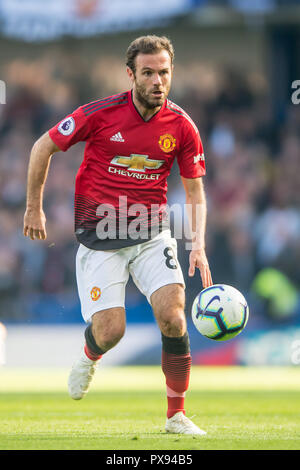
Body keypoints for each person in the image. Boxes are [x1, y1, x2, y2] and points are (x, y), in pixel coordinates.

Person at [23, 35, 213, 435]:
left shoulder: (180, 125)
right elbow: (43, 147)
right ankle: (90, 354)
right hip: (100, 236)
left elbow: (195, 189)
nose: (157, 81)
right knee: (112, 331)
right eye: (148, 73)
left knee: (174, 316)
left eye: (164, 72)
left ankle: (176, 415)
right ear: (131, 75)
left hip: (152, 233)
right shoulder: (100, 114)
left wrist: (198, 244)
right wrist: (33, 207)